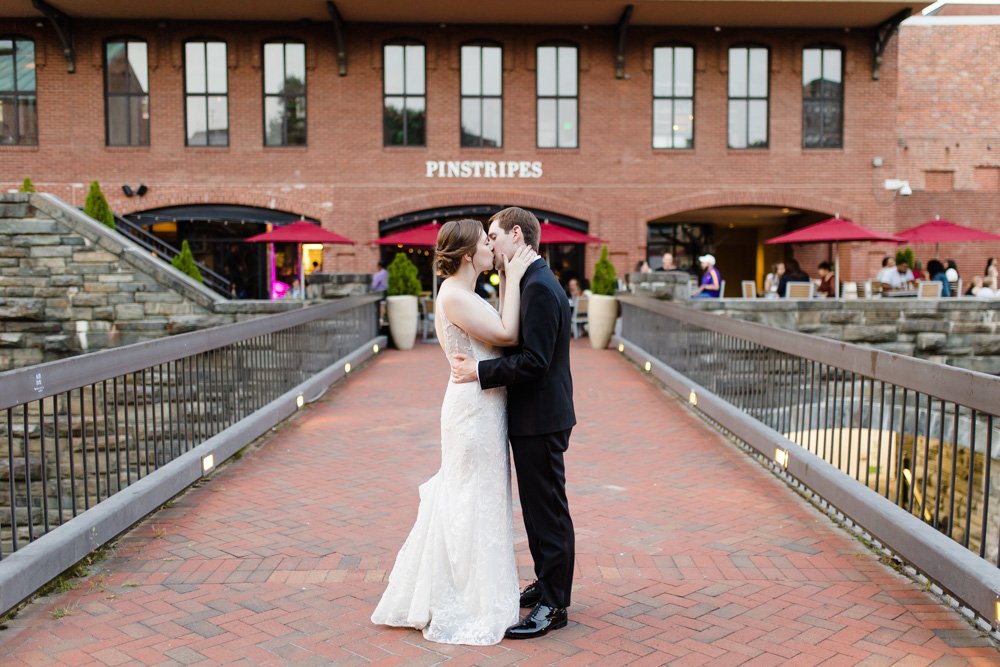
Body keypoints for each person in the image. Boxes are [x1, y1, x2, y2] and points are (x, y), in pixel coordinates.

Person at [371, 219, 535, 645]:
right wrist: (514, 278)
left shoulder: (466, 292)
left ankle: (477, 588)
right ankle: (465, 596)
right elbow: (508, 333)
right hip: (472, 411)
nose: (492, 248)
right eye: (486, 243)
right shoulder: (454, 295)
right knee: (470, 497)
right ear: (468, 255)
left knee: (482, 496)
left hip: (485, 405)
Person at [450, 206, 577, 640]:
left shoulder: (539, 286)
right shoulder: (530, 280)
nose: (489, 242)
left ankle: (554, 605)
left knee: (548, 513)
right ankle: (546, 583)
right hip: (534, 415)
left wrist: (480, 373)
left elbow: (535, 361)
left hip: (541, 416)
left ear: (516, 235)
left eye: (493, 235)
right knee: (538, 510)